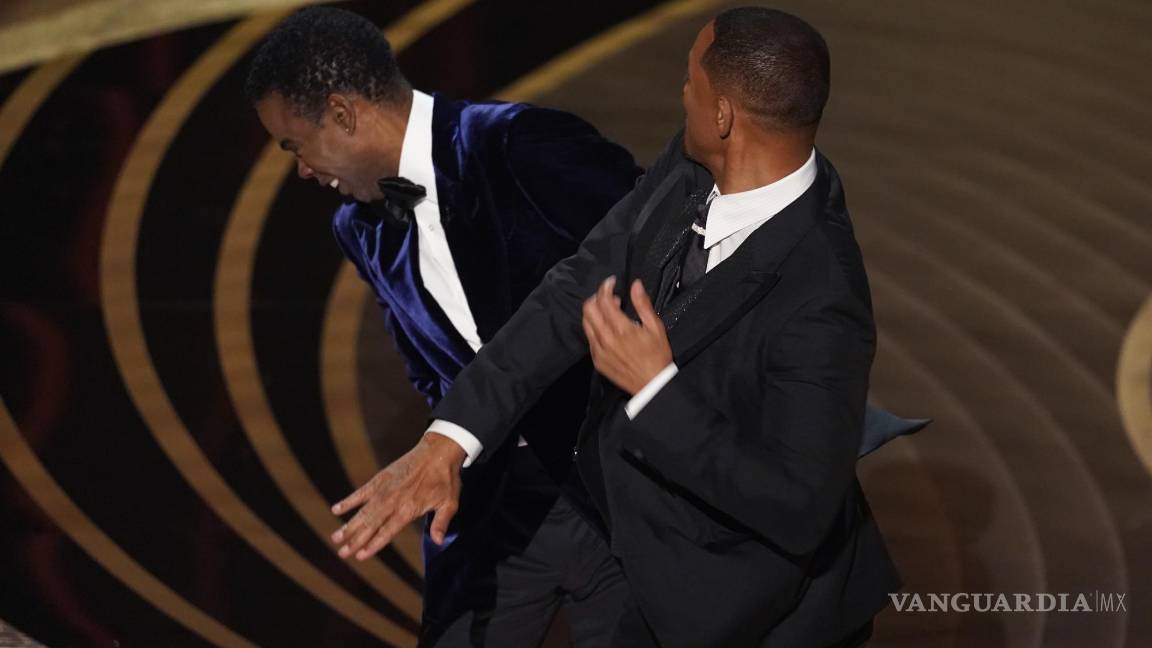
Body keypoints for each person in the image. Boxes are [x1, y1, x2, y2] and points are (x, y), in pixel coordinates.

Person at [328, 7, 911, 646]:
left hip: (760, 618)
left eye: (691, 81)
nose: (680, 93)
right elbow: (573, 289)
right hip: (650, 574)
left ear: (723, 116)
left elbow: (796, 507)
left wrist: (656, 389)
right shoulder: (694, 167)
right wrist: (450, 438)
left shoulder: (822, 294)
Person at [246, 7, 644, 646]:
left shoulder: (521, 143)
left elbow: (663, 265)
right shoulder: (358, 228)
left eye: (295, 145)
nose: (301, 170)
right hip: (492, 508)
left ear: (344, 115)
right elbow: (426, 366)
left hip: (618, 498)